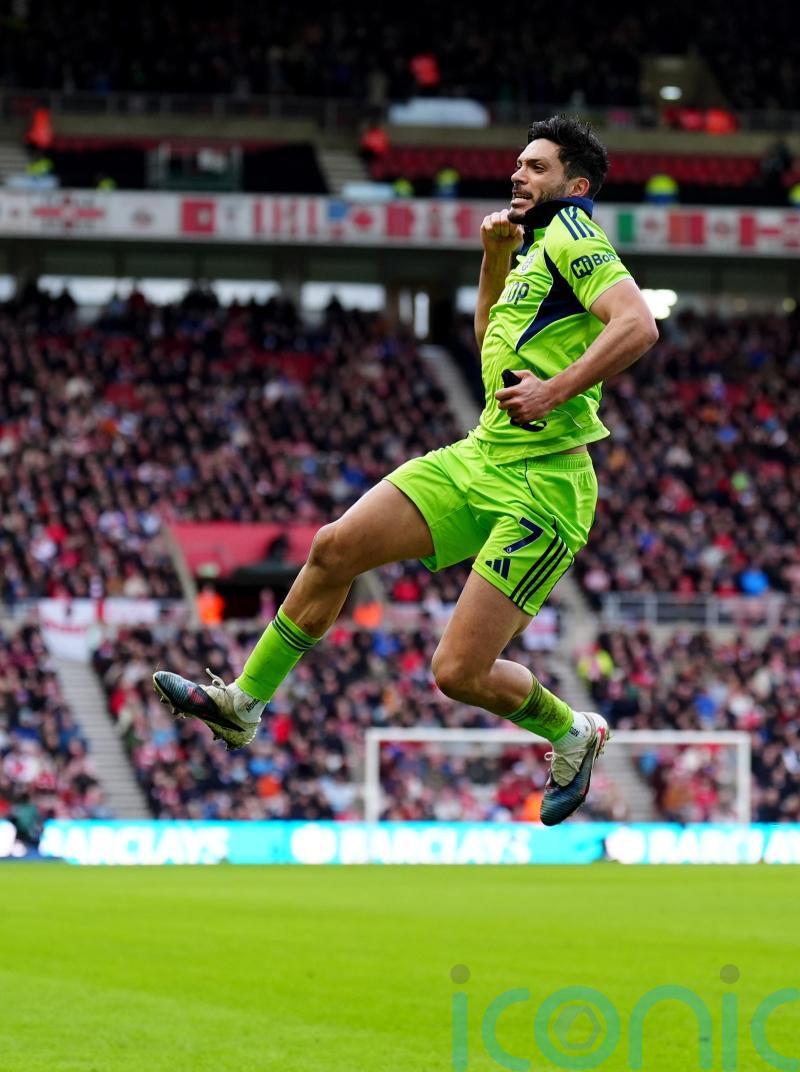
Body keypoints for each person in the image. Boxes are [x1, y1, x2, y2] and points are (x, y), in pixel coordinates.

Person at [154, 115, 658, 826]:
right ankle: (242, 704)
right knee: (334, 548)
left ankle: (571, 731)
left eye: (536, 167)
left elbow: (638, 324)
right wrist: (494, 259)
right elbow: (488, 341)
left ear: (574, 186)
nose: (518, 174)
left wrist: (553, 389)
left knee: (458, 675)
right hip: (480, 455)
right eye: (518, 164)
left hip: (545, 486)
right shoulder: (534, 250)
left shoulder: (576, 232)